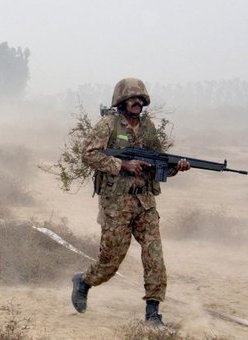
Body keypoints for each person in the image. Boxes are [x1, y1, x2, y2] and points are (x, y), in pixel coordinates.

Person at [71, 78, 191, 329]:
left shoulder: (148, 129)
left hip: (145, 203)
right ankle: (84, 281)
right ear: (122, 101)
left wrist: (175, 168)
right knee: (110, 262)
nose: (137, 102)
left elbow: (160, 166)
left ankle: (153, 313)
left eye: (140, 98)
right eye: (132, 98)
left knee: (154, 256)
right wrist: (122, 164)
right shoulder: (109, 124)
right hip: (116, 204)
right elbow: (89, 154)